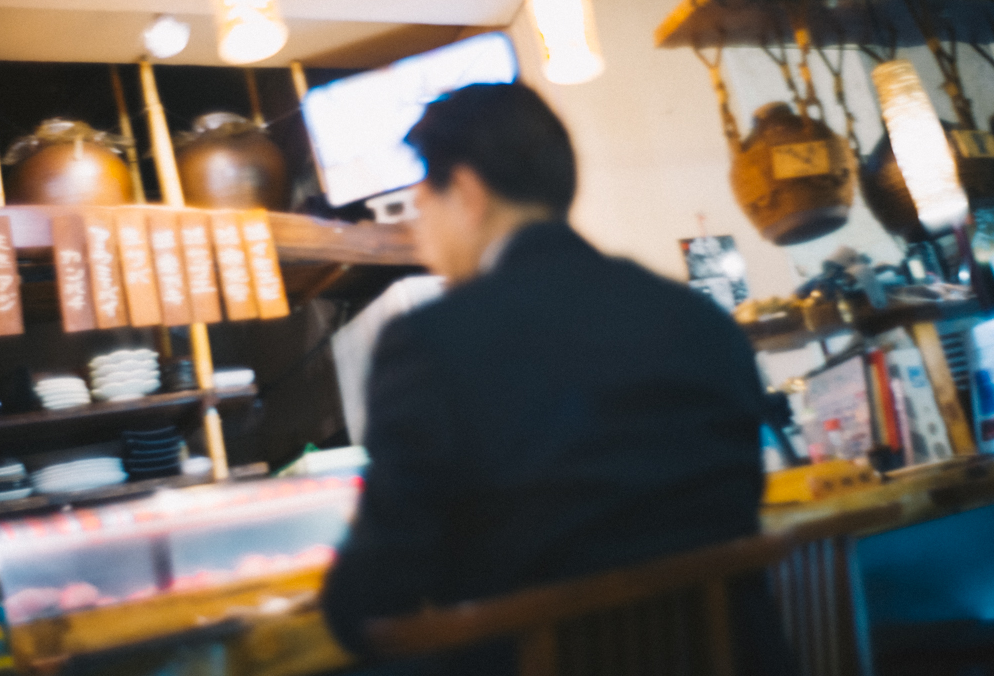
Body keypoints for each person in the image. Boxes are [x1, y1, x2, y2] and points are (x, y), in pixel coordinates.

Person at [321, 82, 794, 674]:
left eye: (422, 208)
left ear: (467, 193)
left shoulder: (434, 342)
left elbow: (370, 600)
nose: (422, 234)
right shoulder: (699, 319)